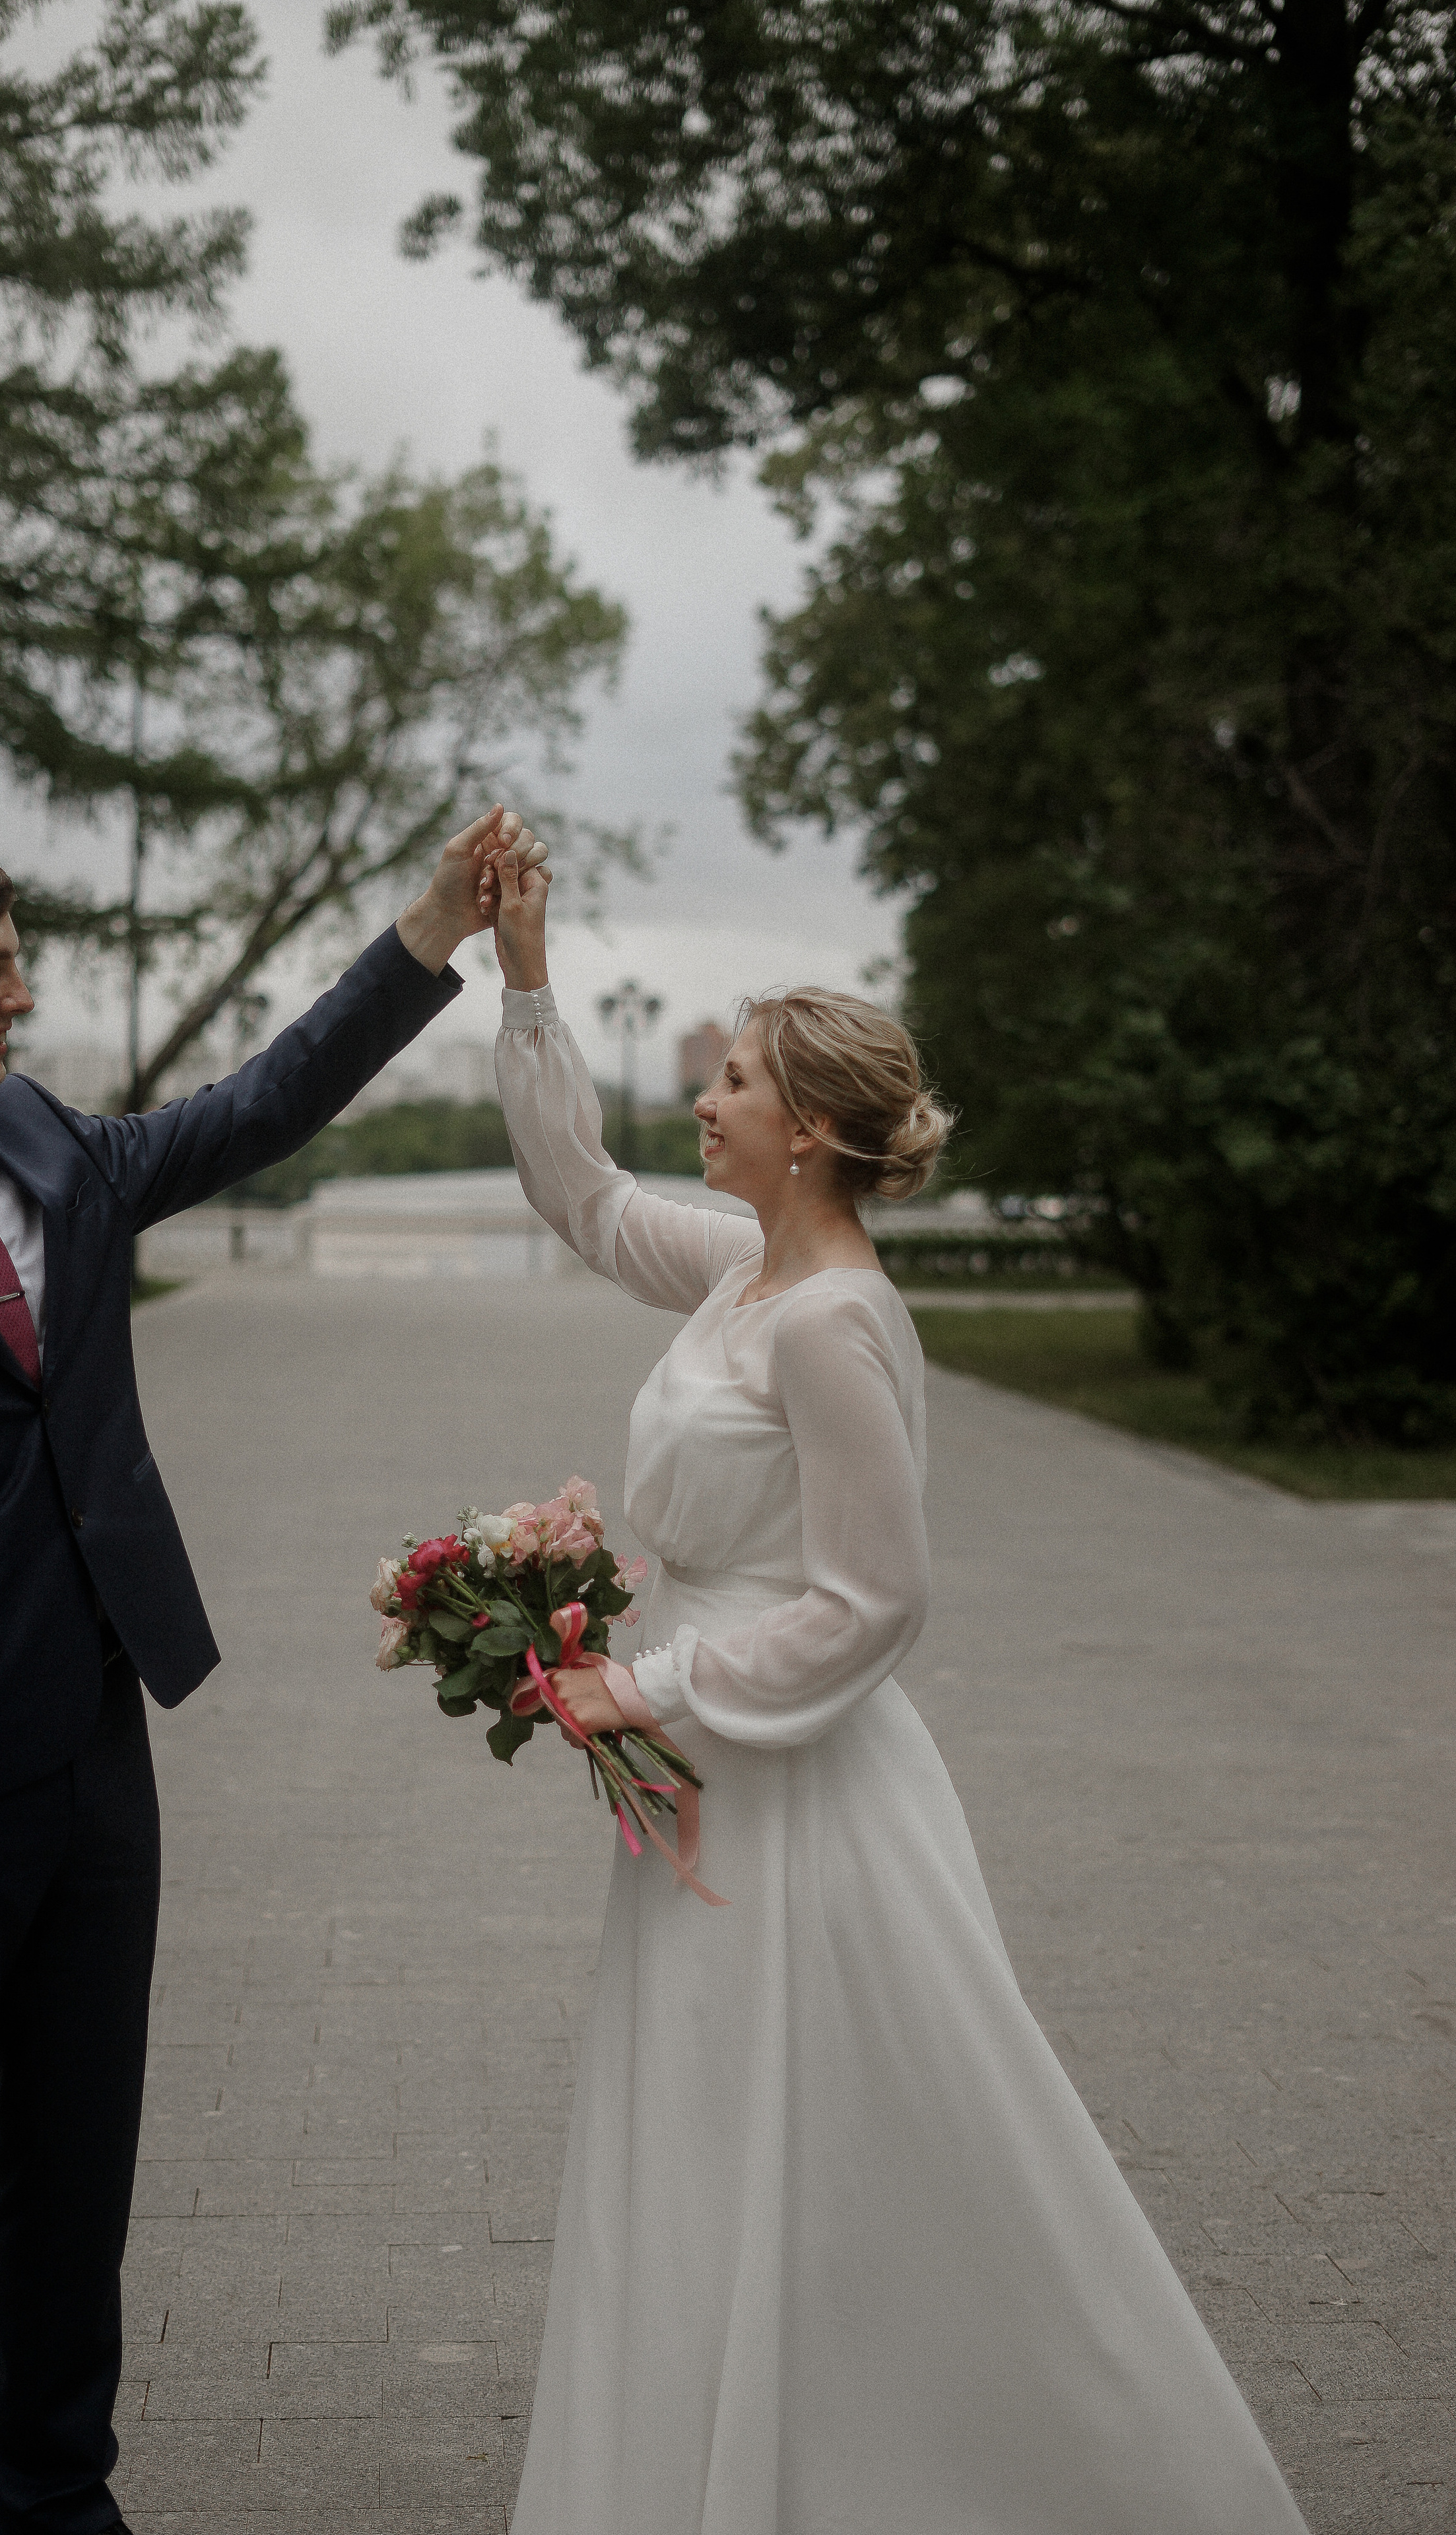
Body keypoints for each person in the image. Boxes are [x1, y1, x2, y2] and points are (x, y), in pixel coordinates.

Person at [480, 839, 1309, 2534]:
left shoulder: (829, 1322)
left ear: (810, 1131)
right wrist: (527, 980)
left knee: (881, 2146)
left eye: (728, 1082)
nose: (700, 1102)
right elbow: (575, 1194)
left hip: (802, 1796)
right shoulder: (735, 1268)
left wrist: (646, 1689)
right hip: (709, 1777)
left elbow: (874, 1600)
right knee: (709, 2141)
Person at [0, 810, 520, 2535]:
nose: (21, 997)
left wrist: (426, 935)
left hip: (98, 1748)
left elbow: (253, 1108)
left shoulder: (33, 1136)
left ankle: (58, 2491)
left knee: (74, 2172)